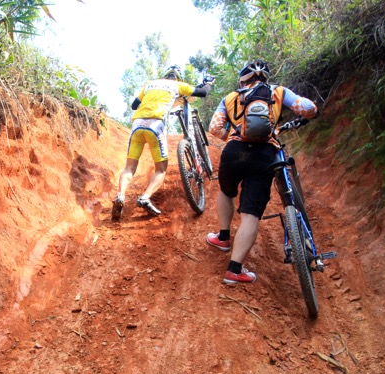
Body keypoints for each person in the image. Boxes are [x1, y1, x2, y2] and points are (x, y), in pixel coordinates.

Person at [206, 59, 317, 284]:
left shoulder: (230, 97)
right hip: (265, 153)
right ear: (265, 78)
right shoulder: (277, 92)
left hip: (234, 151)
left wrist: (235, 134)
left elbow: (215, 128)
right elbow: (308, 109)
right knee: (250, 215)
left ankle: (223, 238)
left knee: (227, 192)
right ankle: (234, 271)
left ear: (242, 79)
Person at [112, 66, 212, 220]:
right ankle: (145, 197)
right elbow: (202, 92)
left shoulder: (150, 83)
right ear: (177, 77)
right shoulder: (178, 85)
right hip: (155, 125)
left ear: (164, 75)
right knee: (161, 170)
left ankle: (120, 195)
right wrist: (209, 83)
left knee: (129, 168)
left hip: (137, 125)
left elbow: (134, 105)